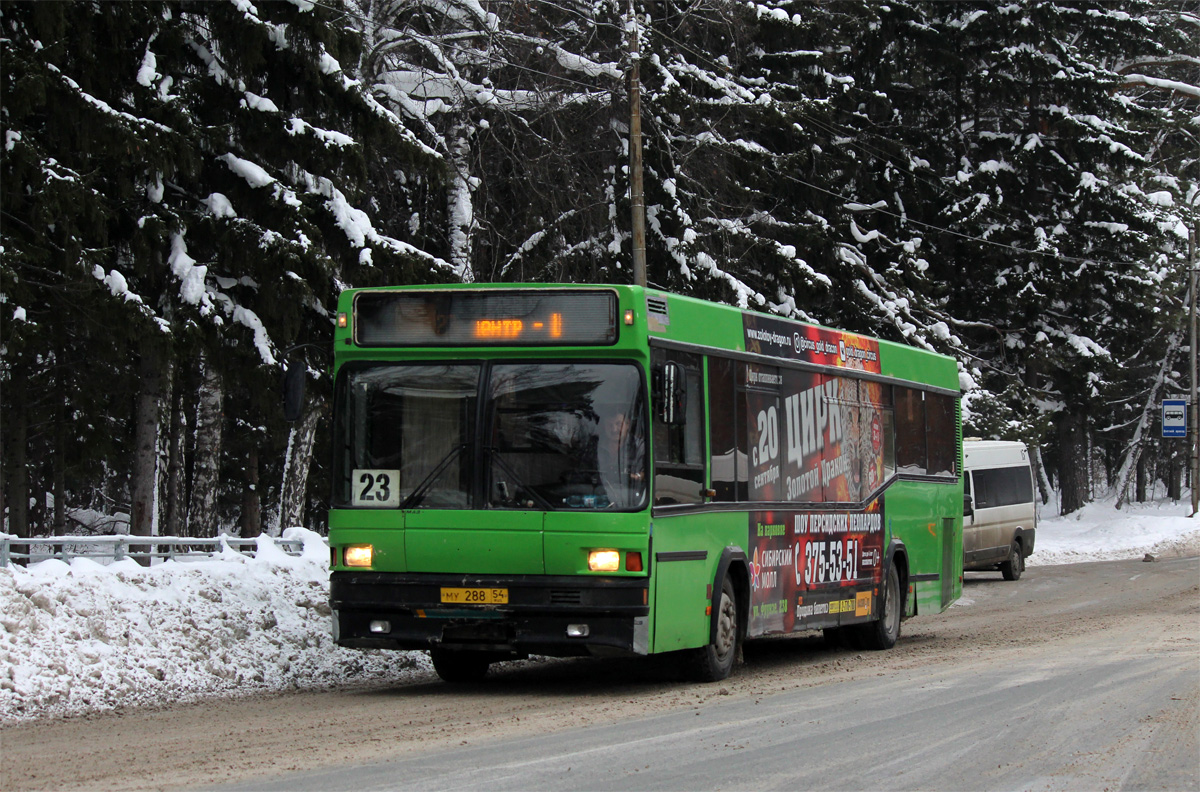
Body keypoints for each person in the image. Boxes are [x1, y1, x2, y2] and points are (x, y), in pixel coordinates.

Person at [595, 408, 646, 509]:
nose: (614, 429)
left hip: (631, 501)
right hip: (598, 498)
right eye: (609, 425)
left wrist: (634, 476)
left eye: (618, 424)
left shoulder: (640, 446)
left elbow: (645, 474)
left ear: (627, 424)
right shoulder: (595, 446)